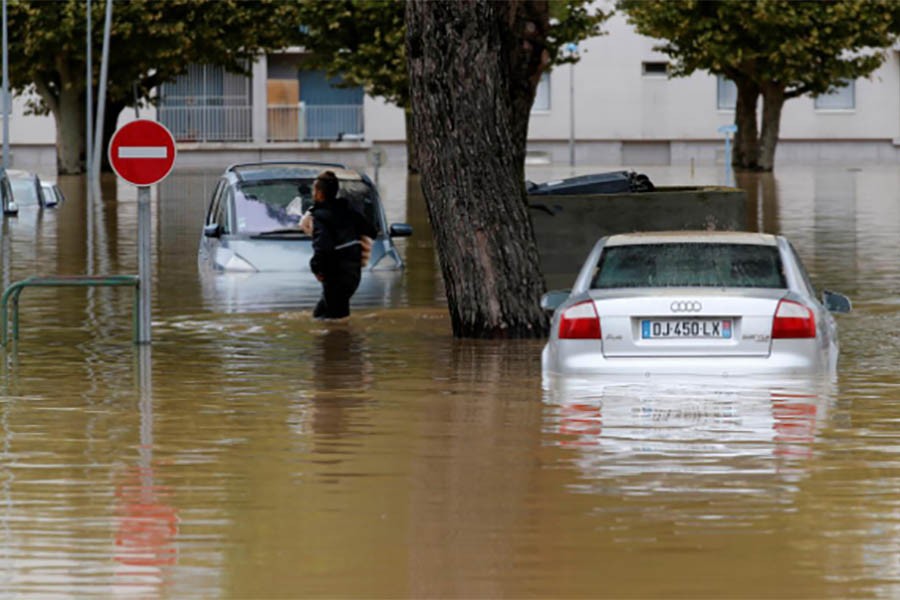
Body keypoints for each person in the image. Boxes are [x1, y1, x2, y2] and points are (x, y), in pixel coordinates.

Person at [308, 170, 377, 319]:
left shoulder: (321, 216)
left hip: (335, 274)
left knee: (335, 321)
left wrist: (316, 267)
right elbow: (372, 231)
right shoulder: (348, 211)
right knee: (320, 314)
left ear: (320, 193)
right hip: (353, 274)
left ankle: (345, 340)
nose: (312, 194)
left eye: (314, 190)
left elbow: (323, 246)